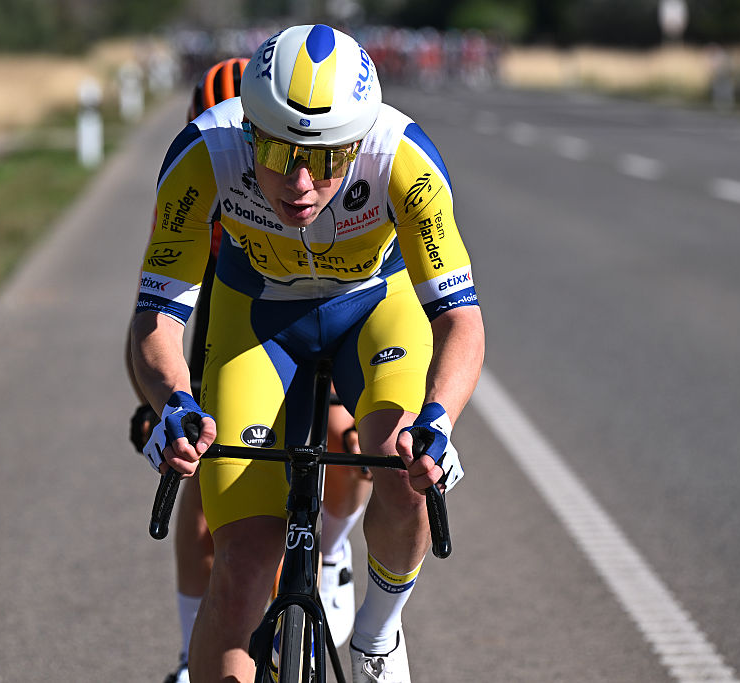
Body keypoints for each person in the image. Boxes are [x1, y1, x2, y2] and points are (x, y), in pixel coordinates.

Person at [131, 24, 484, 683]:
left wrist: (438, 419)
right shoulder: (204, 152)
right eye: (276, 149)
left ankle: (377, 632)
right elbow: (156, 317)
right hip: (256, 315)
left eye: (326, 159)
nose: (299, 181)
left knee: (404, 468)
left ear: (359, 141)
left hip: (374, 307)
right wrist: (172, 400)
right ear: (248, 129)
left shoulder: (403, 158)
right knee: (242, 563)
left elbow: (460, 320)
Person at [125, 56, 372, 683]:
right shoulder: (200, 177)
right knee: (207, 489)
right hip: (228, 302)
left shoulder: (305, 190)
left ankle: (331, 552)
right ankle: (193, 656)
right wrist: (163, 405)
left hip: (319, 300)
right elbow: (152, 322)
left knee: (345, 440)